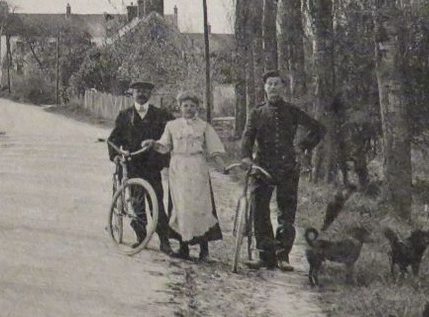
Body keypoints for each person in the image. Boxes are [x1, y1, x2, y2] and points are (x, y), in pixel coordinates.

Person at [240, 70, 326, 271]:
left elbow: (318, 129)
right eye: (269, 84)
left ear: (283, 87)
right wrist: (245, 157)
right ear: (264, 87)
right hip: (262, 167)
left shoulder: (292, 111)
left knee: (286, 213)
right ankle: (265, 255)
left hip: (288, 168)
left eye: (277, 84)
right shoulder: (256, 112)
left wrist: (303, 146)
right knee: (259, 211)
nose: (273, 88)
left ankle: (282, 256)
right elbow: (247, 137)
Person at [156, 92, 227, 261]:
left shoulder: (203, 126)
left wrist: (221, 165)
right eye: (185, 105)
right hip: (178, 168)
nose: (189, 109)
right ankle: (183, 247)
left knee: (201, 206)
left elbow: (214, 147)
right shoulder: (171, 126)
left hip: (197, 167)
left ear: (197, 108)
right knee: (181, 206)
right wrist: (153, 144)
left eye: (192, 106)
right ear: (179, 107)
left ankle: (204, 249)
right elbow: (164, 146)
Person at [107, 79, 174, 255]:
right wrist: (116, 156)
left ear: (150, 94)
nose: (142, 94)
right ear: (132, 93)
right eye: (138, 91)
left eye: (145, 91)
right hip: (132, 164)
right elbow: (113, 139)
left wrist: (165, 158)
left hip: (152, 165)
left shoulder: (161, 115)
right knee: (136, 203)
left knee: (156, 202)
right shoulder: (124, 115)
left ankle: (164, 240)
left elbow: (173, 135)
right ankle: (141, 236)